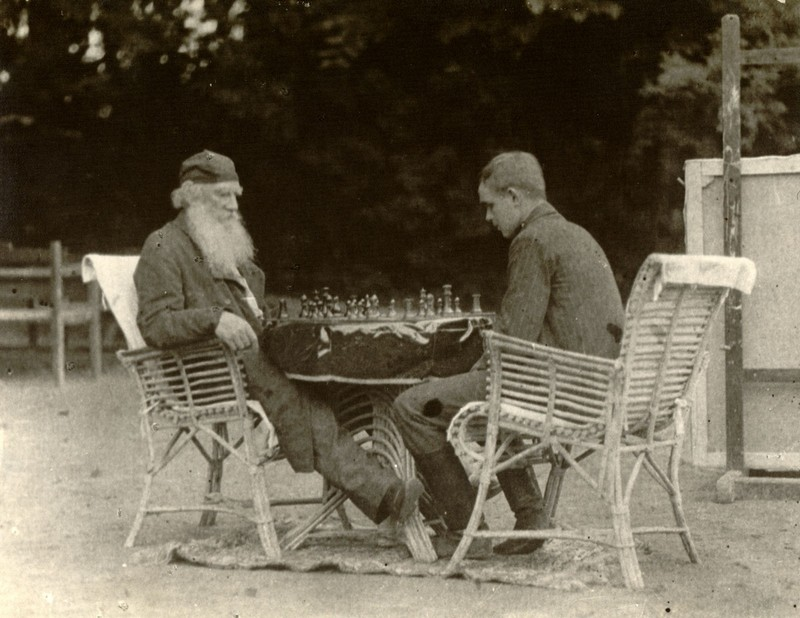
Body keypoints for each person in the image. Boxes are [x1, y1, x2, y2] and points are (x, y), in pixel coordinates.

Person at [134, 150, 423, 530]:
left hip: (252, 364)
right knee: (301, 398)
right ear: (190, 194)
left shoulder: (218, 243)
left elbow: (256, 315)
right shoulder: (162, 245)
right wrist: (214, 318)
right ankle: (386, 494)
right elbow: (155, 323)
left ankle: (424, 500)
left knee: (346, 386)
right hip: (205, 374)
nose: (234, 205)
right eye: (223, 196)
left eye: (235, 195)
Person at [393, 151, 625, 557]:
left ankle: (464, 529)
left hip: (560, 392)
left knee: (412, 406)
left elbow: (512, 342)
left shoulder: (531, 241)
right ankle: (531, 514)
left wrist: (468, 370)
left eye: (490, 205)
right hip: (595, 388)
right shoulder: (577, 234)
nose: (487, 217)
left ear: (515, 198)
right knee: (486, 389)